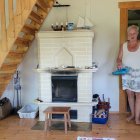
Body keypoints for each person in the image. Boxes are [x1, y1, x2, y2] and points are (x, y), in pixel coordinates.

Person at [117, 25, 140, 124]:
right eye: (130, 33)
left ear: (137, 34)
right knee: (129, 94)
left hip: (138, 73)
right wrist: (118, 62)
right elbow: (119, 58)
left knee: (138, 95)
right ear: (127, 35)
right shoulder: (123, 45)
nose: (132, 35)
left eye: (134, 33)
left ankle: (137, 118)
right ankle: (133, 115)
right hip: (127, 73)